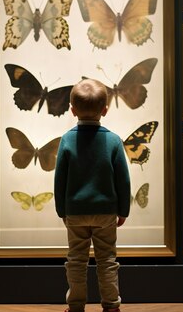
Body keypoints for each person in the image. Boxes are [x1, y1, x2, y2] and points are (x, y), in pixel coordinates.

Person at [54, 79, 131, 312]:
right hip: (106, 211)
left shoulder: (67, 139)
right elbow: (123, 180)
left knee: (76, 260)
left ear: (72, 109)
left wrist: (61, 211)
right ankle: (111, 305)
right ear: (105, 110)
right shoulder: (113, 140)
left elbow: (60, 179)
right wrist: (123, 210)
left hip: (75, 211)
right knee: (107, 260)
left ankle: (76, 305)